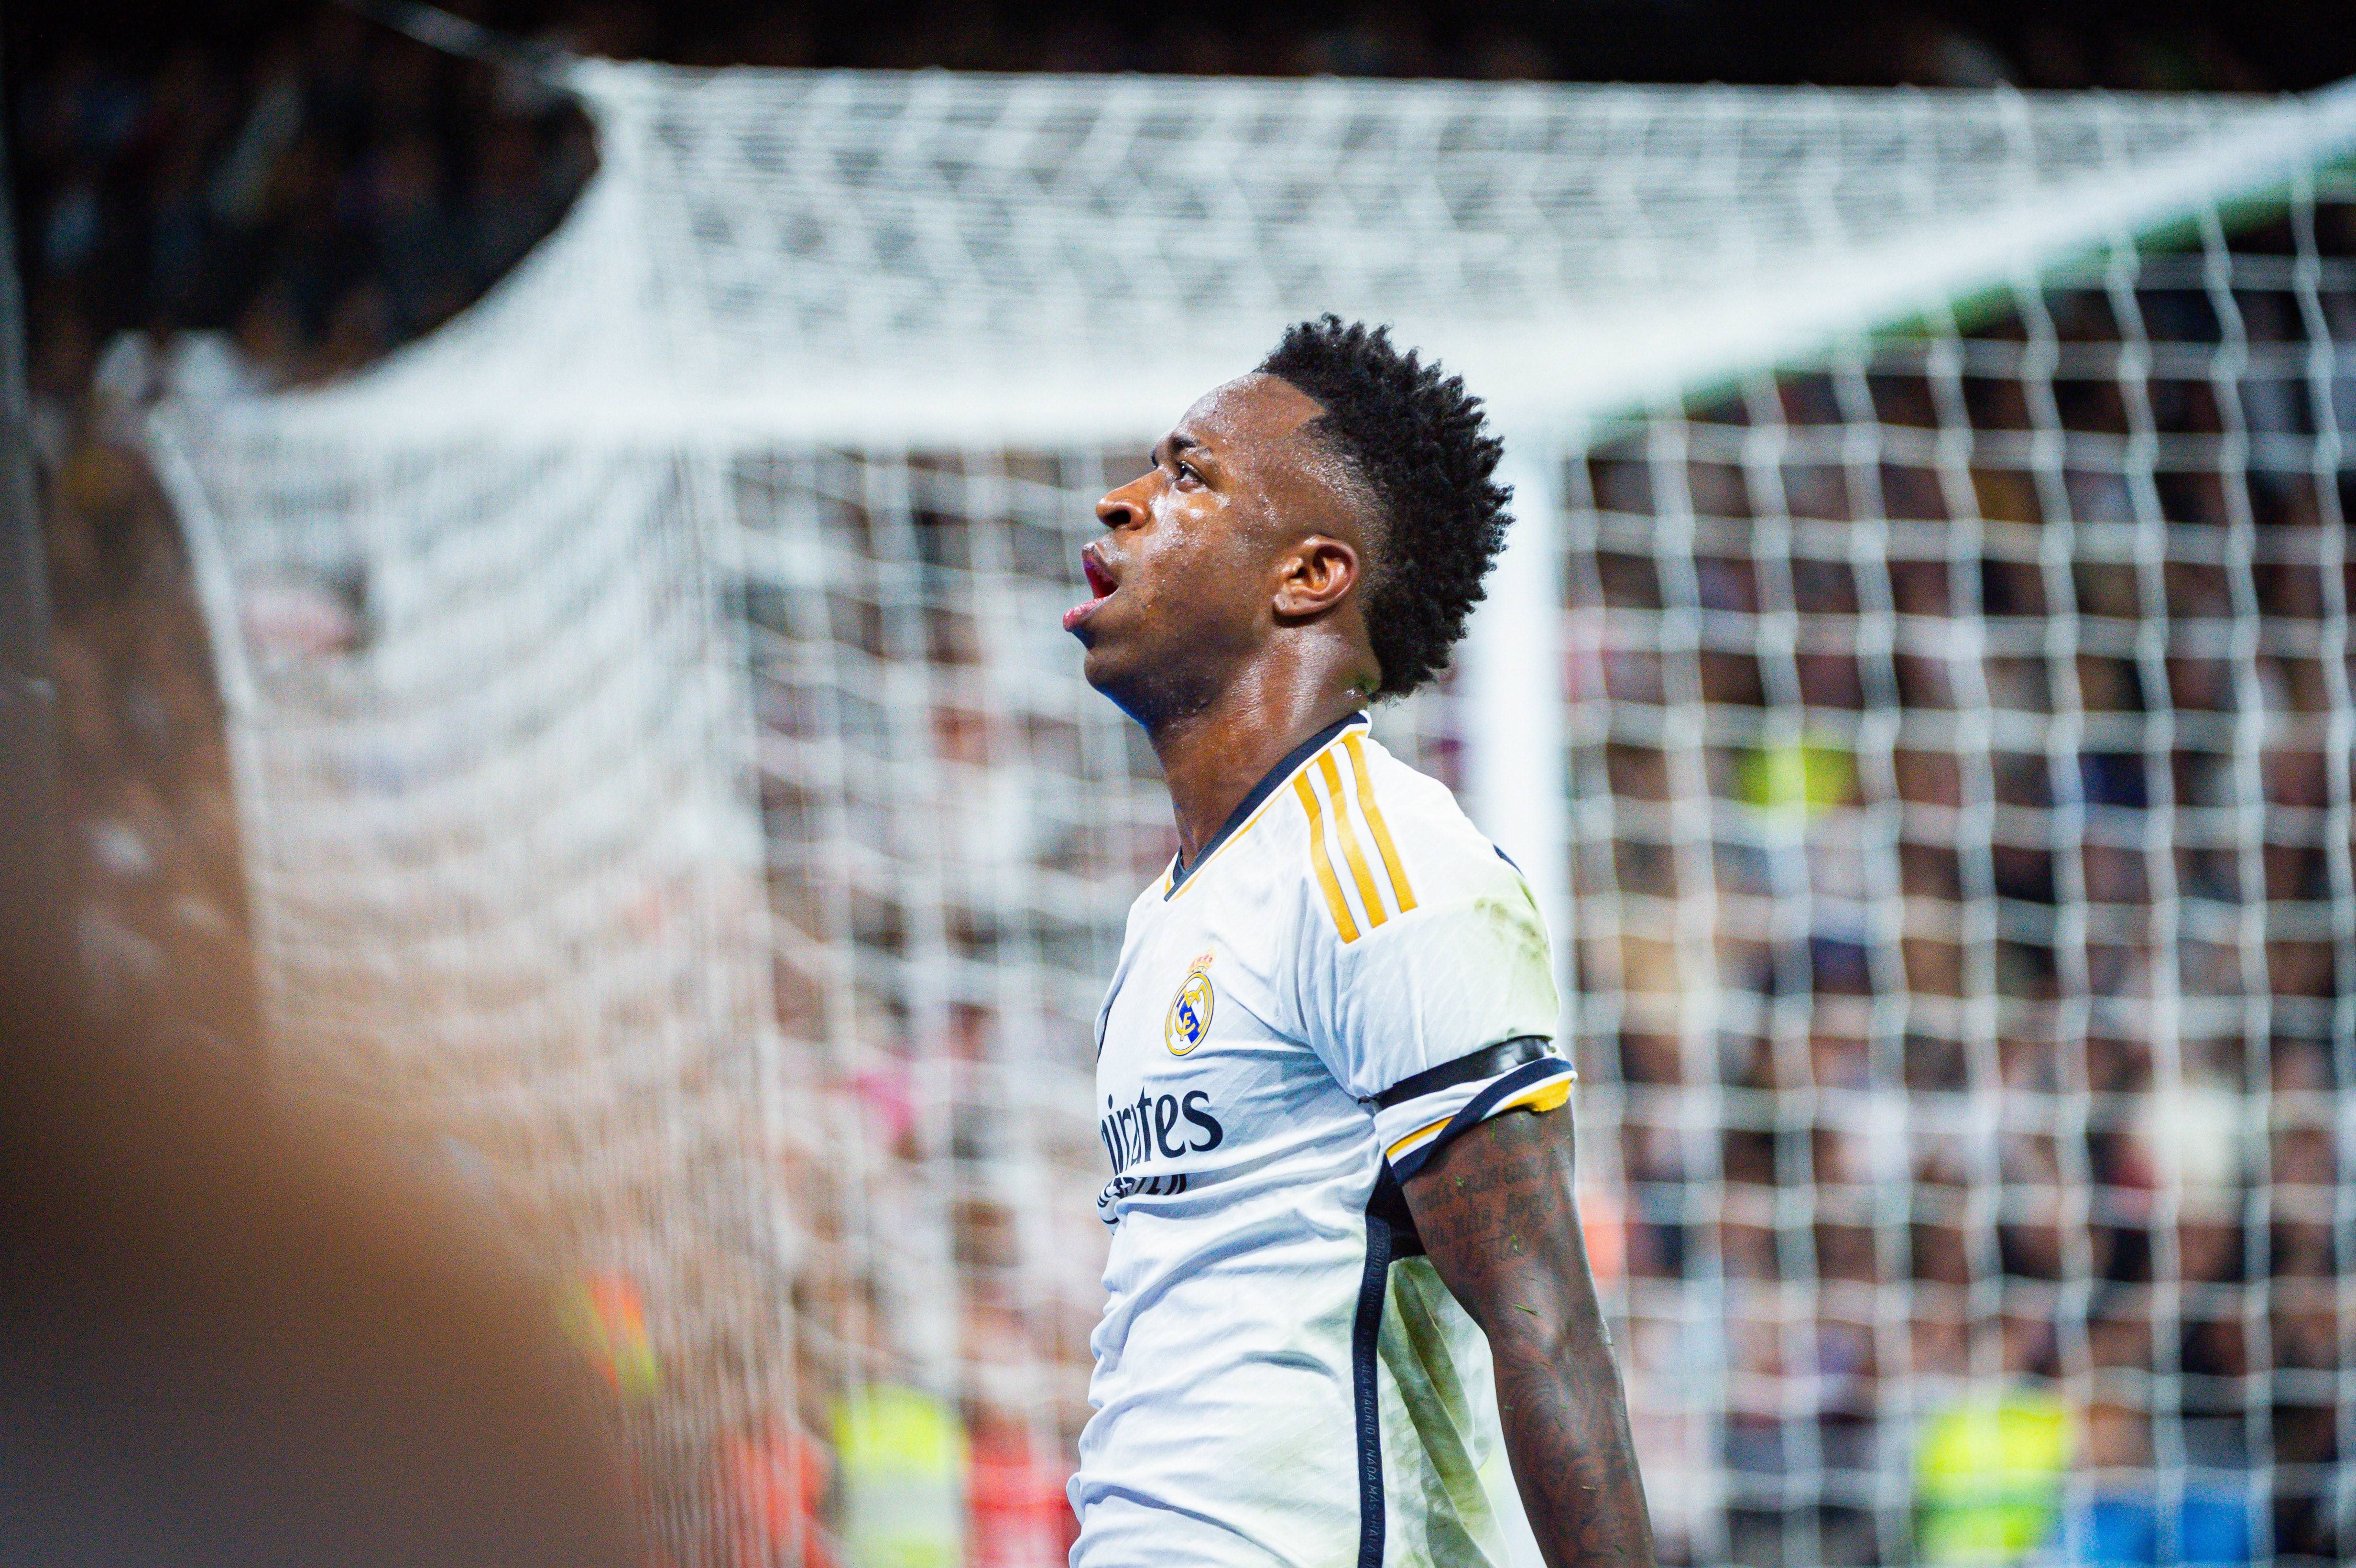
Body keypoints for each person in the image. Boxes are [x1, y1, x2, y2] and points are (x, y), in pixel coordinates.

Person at [1064, 316, 1653, 1568]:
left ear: (1311, 575)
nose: (1123, 502)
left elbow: (1548, 1327)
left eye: (1187, 476)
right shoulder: (1169, 911)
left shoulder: (1387, 870)